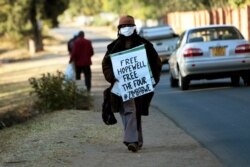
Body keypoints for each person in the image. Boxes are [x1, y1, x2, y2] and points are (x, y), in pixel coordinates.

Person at [102, 15, 162, 152]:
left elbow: (156, 63)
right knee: (128, 112)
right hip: (120, 87)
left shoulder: (145, 45)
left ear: (134, 28)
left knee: (134, 111)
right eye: (123, 26)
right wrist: (112, 77)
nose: (126, 29)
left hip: (140, 87)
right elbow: (106, 65)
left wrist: (151, 80)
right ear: (119, 29)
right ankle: (135, 140)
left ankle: (133, 140)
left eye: (129, 26)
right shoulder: (113, 47)